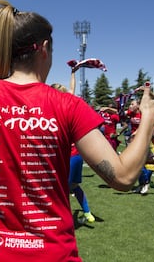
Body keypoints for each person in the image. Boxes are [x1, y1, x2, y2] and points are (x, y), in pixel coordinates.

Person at [0, 0, 154, 261]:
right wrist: (148, 118)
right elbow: (122, 178)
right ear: (44, 49)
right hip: (52, 254)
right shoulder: (67, 105)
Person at [52, 68, 95, 223]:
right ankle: (87, 212)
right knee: (74, 186)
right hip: (76, 155)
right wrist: (72, 73)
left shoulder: (54, 109)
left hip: (66, 156)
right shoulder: (69, 104)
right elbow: (71, 89)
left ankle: (61, 219)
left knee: (61, 189)